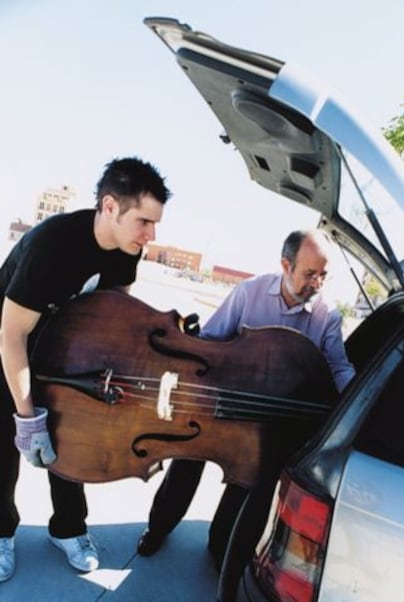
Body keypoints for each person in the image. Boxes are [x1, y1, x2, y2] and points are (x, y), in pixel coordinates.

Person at [137, 229, 356, 572]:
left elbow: (337, 367)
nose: (317, 283)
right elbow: (209, 339)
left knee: (245, 484)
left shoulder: (326, 316)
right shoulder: (249, 292)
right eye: (309, 273)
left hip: (265, 421)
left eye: (323, 275)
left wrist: (358, 403)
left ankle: (220, 545)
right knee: (186, 464)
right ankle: (158, 527)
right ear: (286, 264)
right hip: (221, 404)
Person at [0, 156, 171, 582]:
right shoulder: (51, 246)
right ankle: (1, 532)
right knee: (7, 445)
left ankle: (69, 529)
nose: (151, 234)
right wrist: (25, 415)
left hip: (62, 349)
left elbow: (109, 319)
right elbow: (11, 336)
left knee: (71, 437)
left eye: (155, 224)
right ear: (110, 207)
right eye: (144, 221)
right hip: (8, 345)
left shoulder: (127, 253)